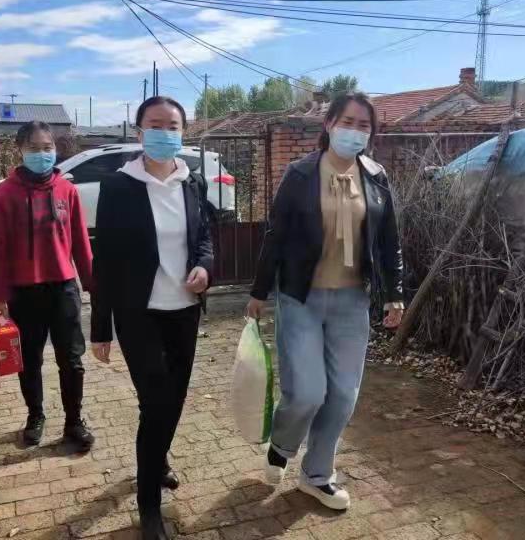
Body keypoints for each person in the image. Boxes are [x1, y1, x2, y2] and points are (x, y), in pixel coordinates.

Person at [247, 93, 404, 511]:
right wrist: (259, 292)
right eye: (347, 121)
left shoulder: (376, 176)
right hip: (302, 297)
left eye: (364, 125)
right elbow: (275, 235)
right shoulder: (300, 174)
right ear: (329, 124)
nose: (355, 131)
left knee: (343, 396)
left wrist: (395, 294)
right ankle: (282, 445)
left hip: (352, 301)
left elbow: (389, 240)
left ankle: (317, 475)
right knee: (307, 393)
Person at [90, 96, 213, 540]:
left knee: (173, 399)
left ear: (184, 131)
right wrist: (100, 328)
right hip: (138, 314)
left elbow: (205, 237)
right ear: (139, 131)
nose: (165, 132)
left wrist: (205, 267)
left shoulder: (192, 181)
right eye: (156, 125)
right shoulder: (119, 186)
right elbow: (104, 260)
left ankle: (157, 459)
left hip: (184, 311)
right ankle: (149, 506)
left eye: (173, 125)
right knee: (156, 402)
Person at [0, 121, 94, 449]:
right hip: (23, 292)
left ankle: (74, 422)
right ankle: (35, 416)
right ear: (20, 150)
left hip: (63, 289)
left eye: (48, 148)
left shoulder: (67, 190)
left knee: (71, 359)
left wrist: (92, 283)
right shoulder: (5, 193)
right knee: (29, 360)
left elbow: (80, 241)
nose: (42, 154)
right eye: (34, 148)